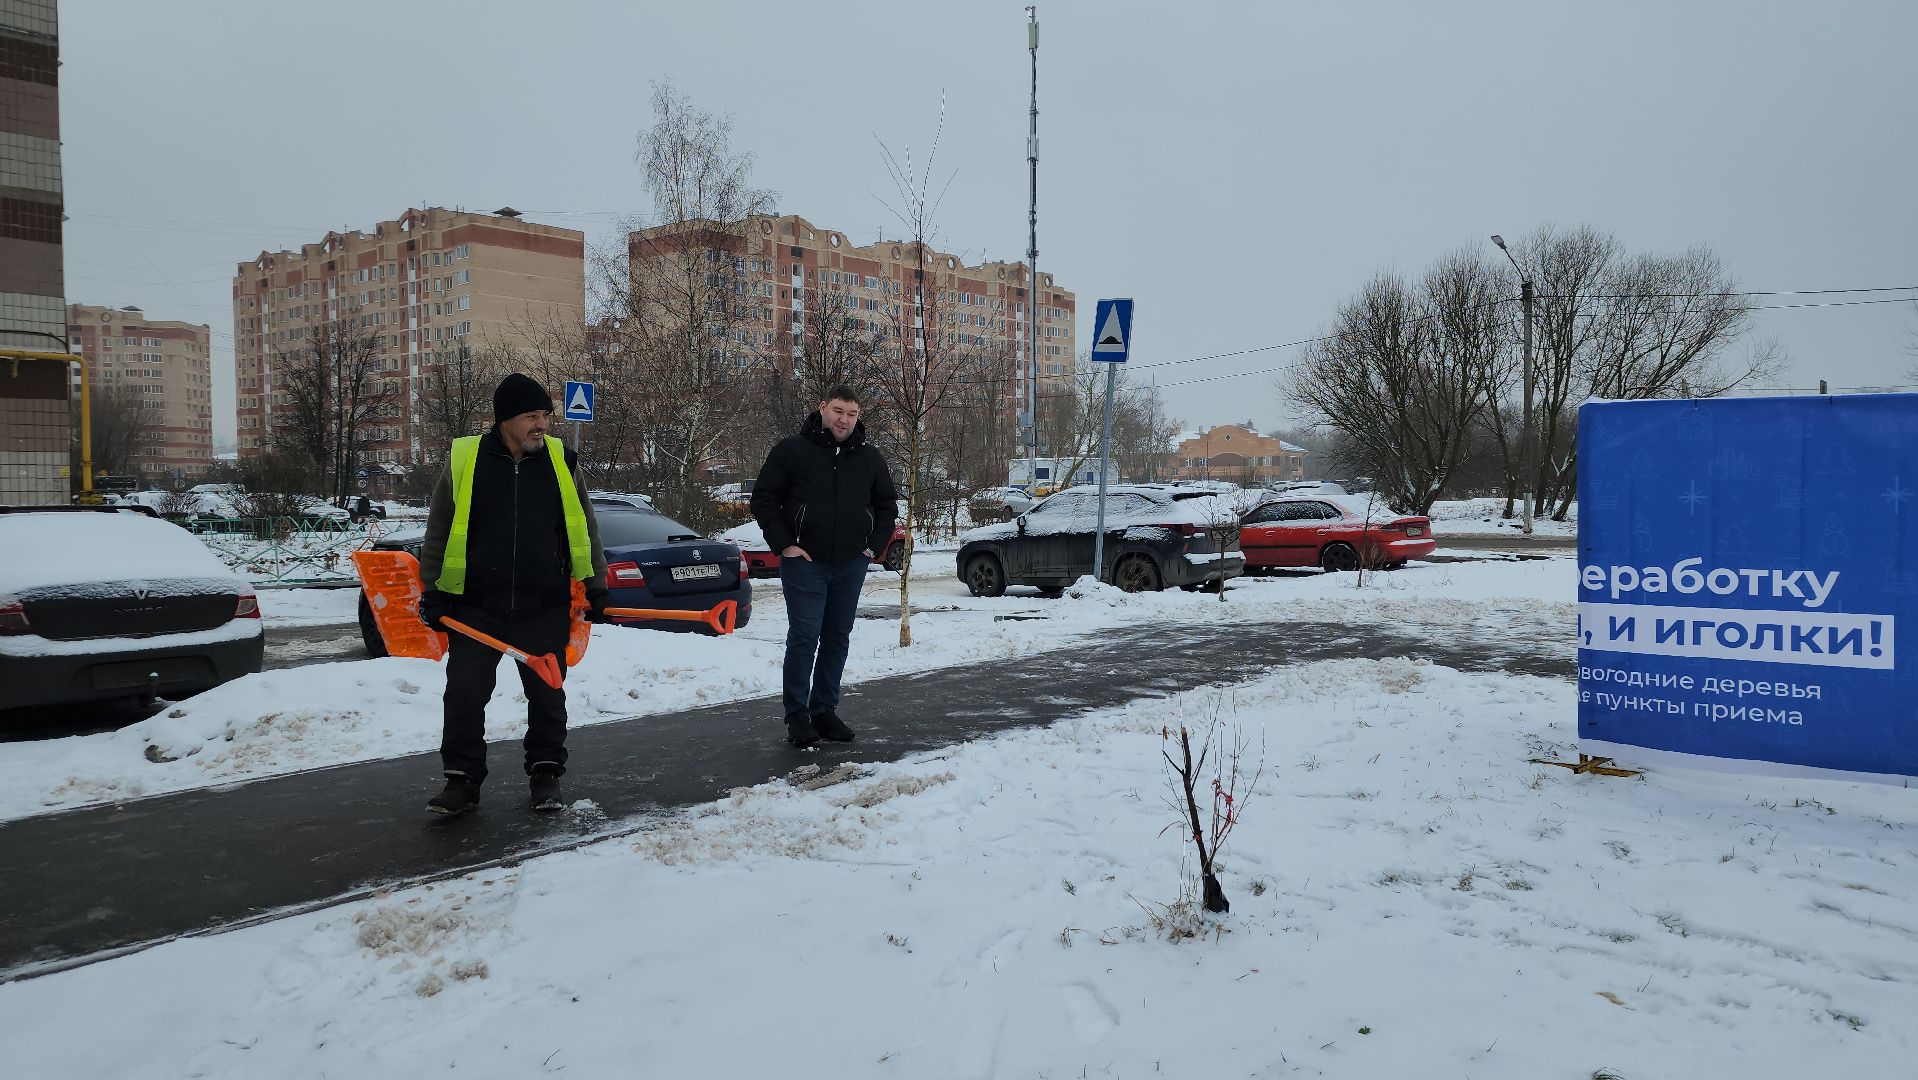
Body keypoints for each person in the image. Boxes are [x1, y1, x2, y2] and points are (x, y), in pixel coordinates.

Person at [416, 373, 609, 814]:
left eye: (545, 415)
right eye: (530, 416)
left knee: (547, 694)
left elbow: (586, 528)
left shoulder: (563, 460)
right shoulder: (465, 459)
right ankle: (462, 782)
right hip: (475, 605)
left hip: (543, 603)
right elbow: (440, 529)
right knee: (464, 694)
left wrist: (596, 586)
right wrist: (433, 591)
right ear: (505, 419)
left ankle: (545, 773)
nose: (541, 424)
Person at [750, 387, 898, 748]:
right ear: (822, 408)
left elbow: (887, 505)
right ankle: (797, 715)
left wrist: (872, 549)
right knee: (804, 637)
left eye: (851, 413)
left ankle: (824, 711)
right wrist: (785, 544)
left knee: (837, 637)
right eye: (837, 411)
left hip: (851, 563)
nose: (843, 419)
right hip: (806, 563)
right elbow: (764, 499)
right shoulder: (792, 451)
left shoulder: (869, 458)